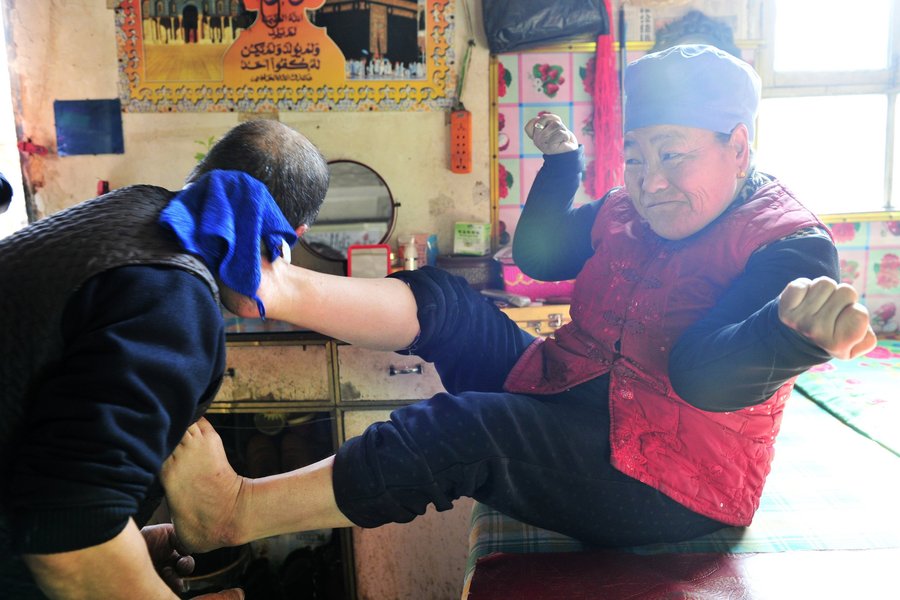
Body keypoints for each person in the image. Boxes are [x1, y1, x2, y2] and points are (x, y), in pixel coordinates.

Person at [160, 45, 876, 560]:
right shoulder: (632, 206)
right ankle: (274, 287)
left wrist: (794, 336)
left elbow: (702, 375)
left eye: (672, 153)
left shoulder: (788, 247)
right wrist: (563, 166)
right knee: (447, 300)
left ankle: (234, 513)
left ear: (740, 146)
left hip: (673, 479)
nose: (649, 179)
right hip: (578, 392)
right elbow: (540, 253)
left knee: (469, 430)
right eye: (634, 153)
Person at [0, 118, 329, 599]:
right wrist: (107, 556)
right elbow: (69, 534)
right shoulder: (175, 296)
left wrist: (128, 547)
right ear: (290, 237)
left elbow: (56, 458)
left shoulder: (130, 209)